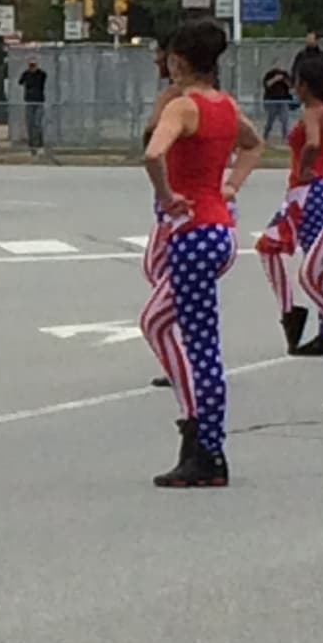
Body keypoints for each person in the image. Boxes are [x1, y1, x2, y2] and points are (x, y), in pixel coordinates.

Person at [140, 18, 264, 488]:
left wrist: (167, 194)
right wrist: (231, 186)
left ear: (178, 60)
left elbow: (153, 153)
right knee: (171, 327)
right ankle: (201, 436)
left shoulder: (183, 106)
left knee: (194, 342)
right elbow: (254, 144)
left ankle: (204, 442)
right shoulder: (226, 105)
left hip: (192, 231)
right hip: (218, 227)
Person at [256, 54, 323, 355]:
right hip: (317, 189)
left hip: (307, 191)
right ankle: (315, 321)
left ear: (305, 85)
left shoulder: (312, 112)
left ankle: (305, 318)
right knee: (313, 259)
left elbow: (312, 143)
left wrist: (304, 167)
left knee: (302, 257)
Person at [140, 35, 183, 390]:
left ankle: (181, 358)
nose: (156, 60)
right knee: (159, 270)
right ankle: (185, 349)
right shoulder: (209, 98)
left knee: (161, 271)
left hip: (176, 197)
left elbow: (151, 136)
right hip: (176, 196)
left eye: (160, 54)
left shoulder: (173, 97)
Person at [18, 58, 47, 154]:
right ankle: (32, 146)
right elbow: (20, 82)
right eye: (31, 66)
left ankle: (40, 144)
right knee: (30, 125)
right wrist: (27, 74)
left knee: (37, 124)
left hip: (39, 102)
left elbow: (43, 78)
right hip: (29, 102)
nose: (32, 68)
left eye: (34, 65)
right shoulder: (26, 74)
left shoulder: (41, 74)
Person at [261, 64, 292, 142]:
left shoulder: (285, 74)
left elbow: (290, 86)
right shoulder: (269, 74)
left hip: (283, 101)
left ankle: (285, 138)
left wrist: (284, 80)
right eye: (277, 64)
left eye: (280, 64)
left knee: (285, 119)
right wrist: (275, 79)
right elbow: (267, 85)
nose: (279, 66)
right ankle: (265, 136)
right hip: (271, 101)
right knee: (270, 120)